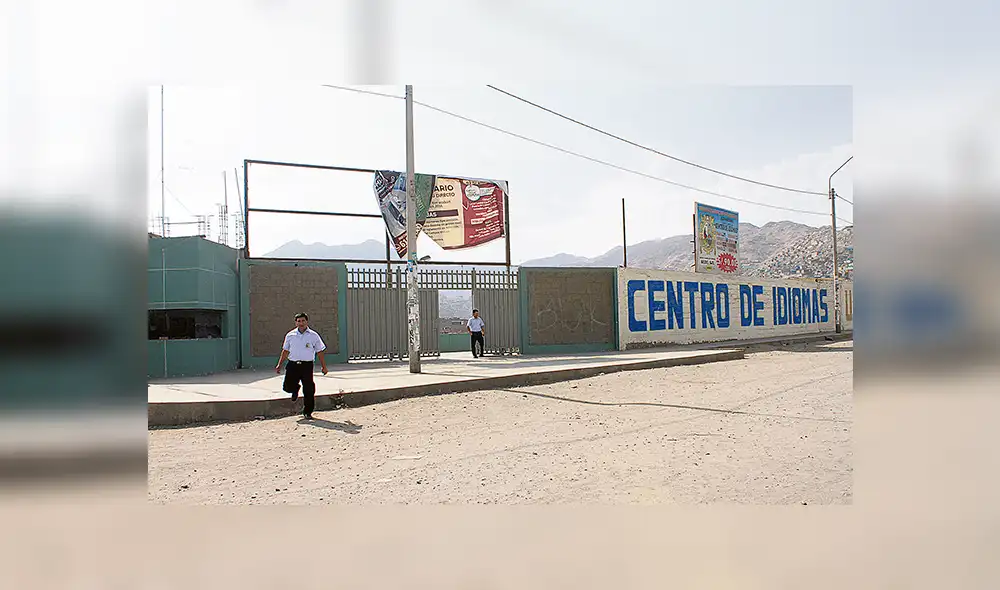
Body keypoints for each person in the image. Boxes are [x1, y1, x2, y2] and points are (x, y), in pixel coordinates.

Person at [275, 312, 328, 420]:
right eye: (299, 321)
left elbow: (320, 351)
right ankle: (295, 389)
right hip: (293, 364)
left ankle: (307, 412)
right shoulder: (290, 335)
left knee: (309, 389)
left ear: (307, 321)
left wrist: (324, 366)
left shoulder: (313, 335)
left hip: (307, 366)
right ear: (295, 323)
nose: (301, 323)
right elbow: (285, 351)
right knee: (287, 386)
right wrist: (279, 364)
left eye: (303, 321)